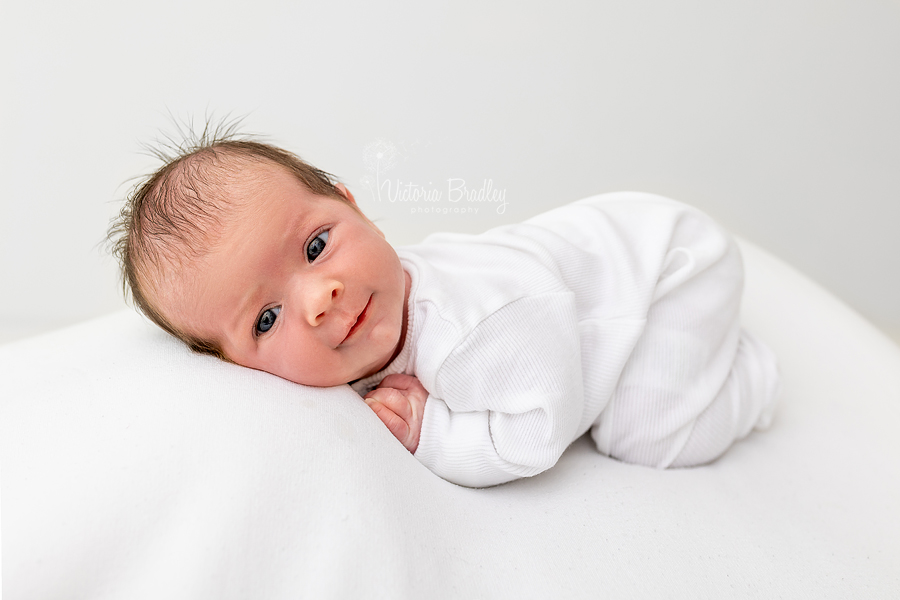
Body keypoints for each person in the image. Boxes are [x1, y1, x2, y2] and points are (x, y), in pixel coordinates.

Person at [110, 135, 780, 488]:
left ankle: (750, 377)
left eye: (316, 246)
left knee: (645, 436)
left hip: (671, 269)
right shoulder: (376, 309)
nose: (318, 300)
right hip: (592, 279)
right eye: (265, 320)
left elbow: (540, 433)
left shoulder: (472, 332)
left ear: (352, 202)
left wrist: (435, 432)